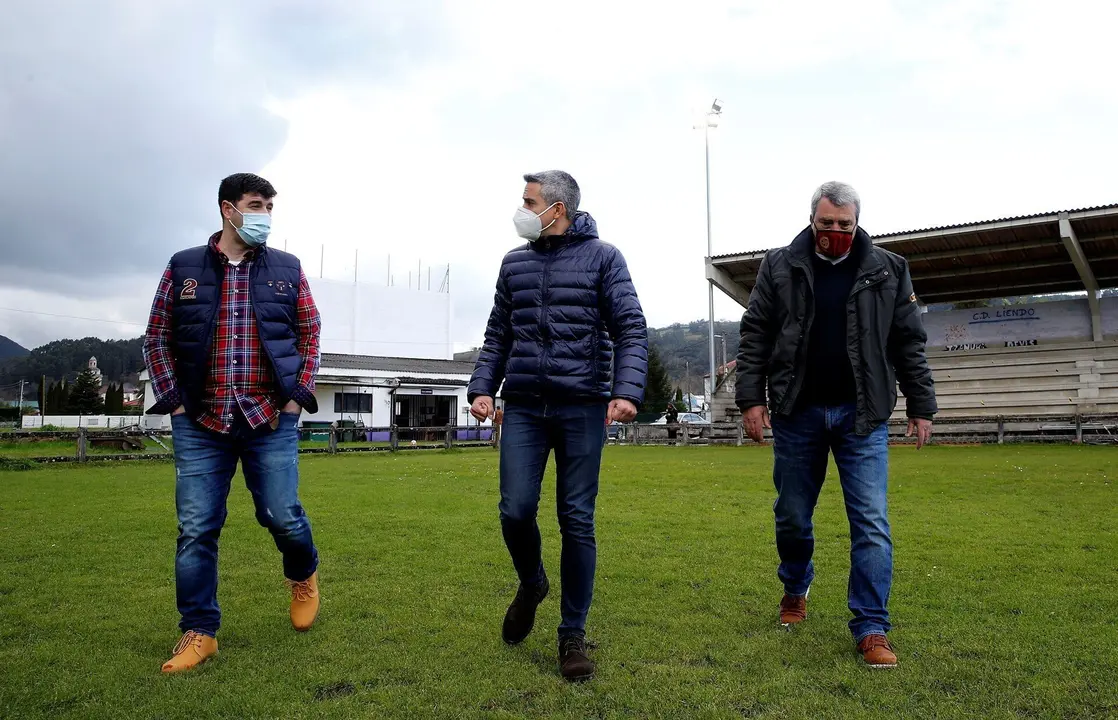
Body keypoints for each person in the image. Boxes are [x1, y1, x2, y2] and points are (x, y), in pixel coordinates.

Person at [735, 181, 936, 669]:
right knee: (792, 515)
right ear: (812, 219)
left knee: (870, 521)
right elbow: (756, 333)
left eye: (845, 225)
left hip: (861, 414)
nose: (836, 233)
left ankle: (871, 627)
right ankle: (796, 583)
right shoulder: (778, 265)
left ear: (857, 222)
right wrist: (750, 399)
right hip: (796, 411)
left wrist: (921, 404)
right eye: (827, 224)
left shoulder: (889, 269)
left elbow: (907, 341)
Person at [468, 170, 648, 682]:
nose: (521, 209)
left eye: (528, 201)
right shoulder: (514, 263)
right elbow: (498, 331)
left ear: (557, 208)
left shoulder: (603, 258)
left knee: (576, 518)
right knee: (514, 509)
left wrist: (627, 390)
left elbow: (630, 327)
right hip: (523, 405)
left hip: (582, 407)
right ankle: (532, 582)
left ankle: (572, 634)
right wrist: (482, 386)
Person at [143, 173, 323, 673]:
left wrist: (296, 399)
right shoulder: (184, 267)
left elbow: (310, 334)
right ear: (228, 209)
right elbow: (157, 336)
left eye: (269, 205)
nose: (264, 213)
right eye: (255, 204)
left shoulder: (287, 268)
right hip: (201, 419)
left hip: (270, 416)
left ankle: (303, 573)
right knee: (197, 528)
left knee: (282, 515)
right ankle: (199, 631)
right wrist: (174, 400)